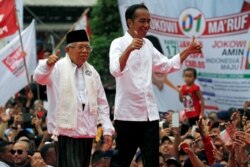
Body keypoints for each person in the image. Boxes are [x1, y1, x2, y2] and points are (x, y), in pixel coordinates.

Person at [109, 3, 202, 167]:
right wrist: (129, 49)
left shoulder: (148, 45)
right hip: (127, 114)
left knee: (152, 161)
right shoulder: (118, 43)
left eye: (148, 21)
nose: (146, 25)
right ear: (130, 23)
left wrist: (188, 51)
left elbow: (166, 65)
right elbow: (115, 69)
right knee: (121, 161)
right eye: (142, 21)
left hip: (150, 115)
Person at [33, 29, 114, 167]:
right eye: (81, 47)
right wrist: (47, 65)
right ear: (68, 49)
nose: (85, 51)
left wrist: (107, 129)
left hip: (87, 133)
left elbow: (102, 103)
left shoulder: (92, 72)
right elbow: (38, 77)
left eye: (87, 47)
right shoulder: (57, 67)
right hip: (65, 132)